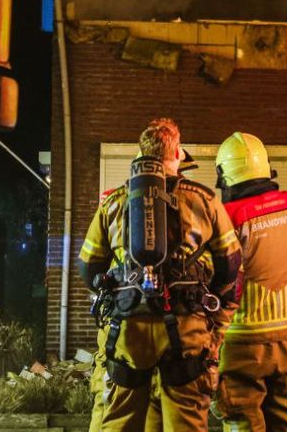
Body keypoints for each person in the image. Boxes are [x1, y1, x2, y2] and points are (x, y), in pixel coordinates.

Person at [79, 118, 241, 431]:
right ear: (177, 153)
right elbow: (231, 265)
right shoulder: (204, 201)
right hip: (185, 330)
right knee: (186, 421)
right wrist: (209, 309)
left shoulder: (114, 202)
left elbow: (88, 267)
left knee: (120, 420)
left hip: (128, 331)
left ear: (142, 153)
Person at [213, 132, 287, 431]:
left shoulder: (228, 217)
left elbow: (220, 276)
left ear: (227, 176)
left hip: (243, 339)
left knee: (243, 419)